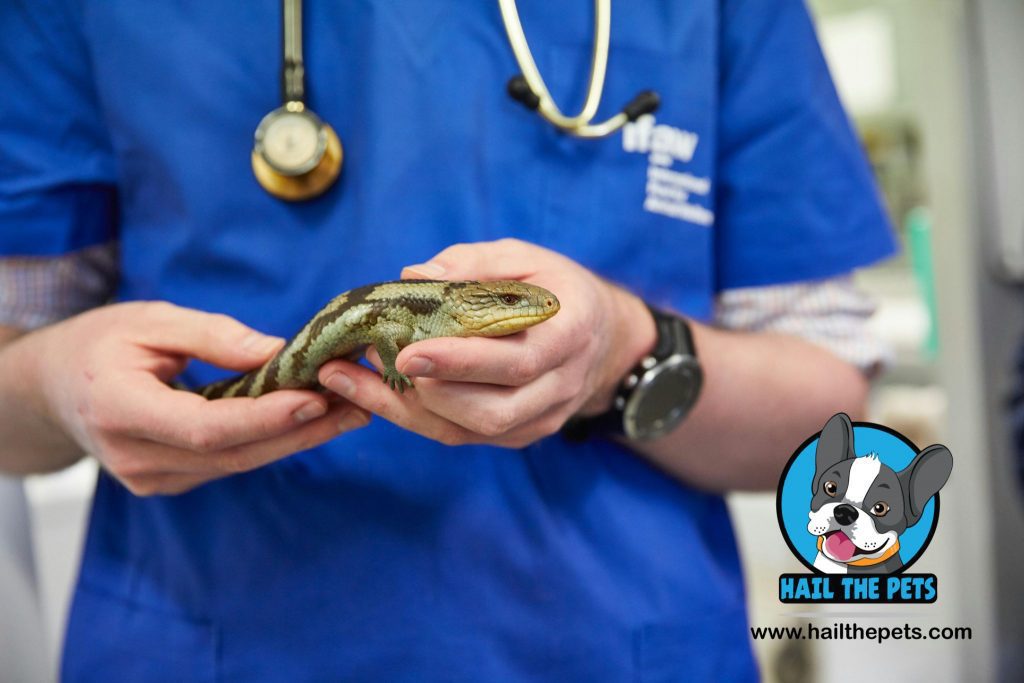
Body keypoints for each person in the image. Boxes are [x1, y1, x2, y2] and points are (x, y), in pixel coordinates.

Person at [0, 0, 895, 680]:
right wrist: (47, 386)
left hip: (613, 647)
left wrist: (621, 350)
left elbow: (828, 429)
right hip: (207, 642)